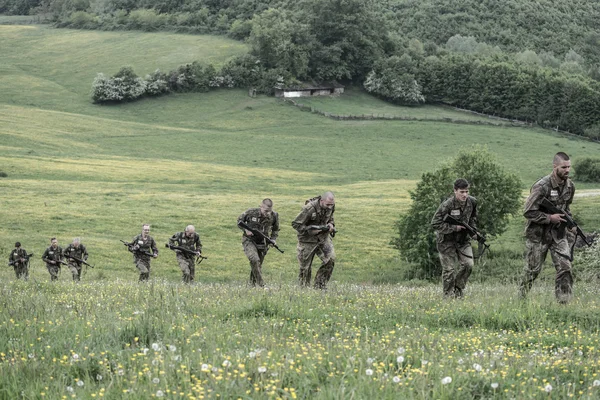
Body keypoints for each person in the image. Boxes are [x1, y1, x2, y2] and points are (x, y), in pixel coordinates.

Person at [520, 152, 575, 304]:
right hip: (538, 235)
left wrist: (571, 224)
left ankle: (563, 303)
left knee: (565, 268)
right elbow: (528, 211)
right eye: (564, 167)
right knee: (532, 271)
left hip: (558, 234)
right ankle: (521, 299)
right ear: (555, 166)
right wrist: (550, 218)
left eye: (569, 167)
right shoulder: (541, 186)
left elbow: (566, 208)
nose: (567, 170)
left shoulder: (570, 186)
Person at [431, 178, 477, 298]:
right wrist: (453, 228)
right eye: (462, 192)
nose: (465, 194)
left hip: (463, 240)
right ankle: (448, 296)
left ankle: (458, 289)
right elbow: (435, 223)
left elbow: (472, 219)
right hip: (446, 241)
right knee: (449, 270)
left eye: (467, 191)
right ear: (455, 191)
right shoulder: (447, 205)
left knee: (469, 265)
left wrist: (474, 231)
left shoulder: (472, 202)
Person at [292, 192, 336, 289]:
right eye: (327, 204)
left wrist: (331, 224)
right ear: (321, 201)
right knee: (305, 268)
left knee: (330, 259)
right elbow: (296, 224)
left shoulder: (331, 206)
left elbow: (330, 218)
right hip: (307, 241)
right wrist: (311, 230)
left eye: (331, 205)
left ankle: (320, 286)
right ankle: (304, 290)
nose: (329, 207)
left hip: (323, 238)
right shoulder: (309, 208)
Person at [237, 199, 280, 287]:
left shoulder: (274, 216)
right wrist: (246, 229)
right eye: (266, 211)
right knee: (254, 259)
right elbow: (239, 221)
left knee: (257, 265)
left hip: (263, 243)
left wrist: (273, 239)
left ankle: (252, 286)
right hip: (249, 240)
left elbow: (275, 229)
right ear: (261, 206)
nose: (267, 213)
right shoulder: (251, 212)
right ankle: (261, 285)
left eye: (269, 211)